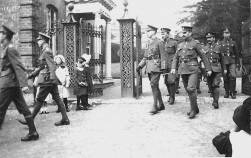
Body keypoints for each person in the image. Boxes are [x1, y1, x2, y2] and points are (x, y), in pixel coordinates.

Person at [18, 32, 70, 126]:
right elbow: (43, 66)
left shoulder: (47, 51)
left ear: (43, 41)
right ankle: (65, 118)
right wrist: (33, 74)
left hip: (47, 80)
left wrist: (52, 80)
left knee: (39, 99)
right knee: (57, 98)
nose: (37, 42)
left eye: (38, 40)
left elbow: (51, 66)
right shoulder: (44, 51)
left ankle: (29, 120)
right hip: (48, 79)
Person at [0, 25, 39, 141]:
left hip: (8, 84)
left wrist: (23, 85)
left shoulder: (10, 48)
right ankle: (33, 132)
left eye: (0, 33)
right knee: (24, 108)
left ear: (5, 35)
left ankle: (33, 132)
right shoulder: (5, 48)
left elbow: (19, 66)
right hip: (11, 83)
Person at [171, 26, 212, 119]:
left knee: (191, 89)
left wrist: (208, 69)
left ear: (190, 33)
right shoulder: (180, 45)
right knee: (188, 90)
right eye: (182, 33)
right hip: (183, 69)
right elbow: (176, 58)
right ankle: (195, 108)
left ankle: (193, 110)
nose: (183, 34)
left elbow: (203, 57)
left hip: (193, 69)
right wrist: (173, 67)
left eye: (185, 32)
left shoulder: (195, 44)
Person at [136, 25, 165, 114]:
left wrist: (163, 68)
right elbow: (146, 57)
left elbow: (163, 56)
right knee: (154, 86)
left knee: (153, 85)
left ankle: (155, 106)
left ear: (153, 32)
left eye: (148, 31)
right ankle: (161, 104)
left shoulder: (159, 42)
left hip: (156, 67)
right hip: (149, 68)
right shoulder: (148, 43)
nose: (147, 33)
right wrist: (140, 65)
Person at [204, 32, 227, 109]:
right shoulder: (205, 48)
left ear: (214, 38)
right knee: (210, 85)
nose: (208, 39)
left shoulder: (219, 47)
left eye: (210, 38)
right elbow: (203, 60)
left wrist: (224, 69)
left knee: (216, 85)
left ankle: (216, 102)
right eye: (207, 38)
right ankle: (214, 99)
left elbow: (223, 59)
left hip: (217, 68)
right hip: (208, 69)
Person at [219, 27, 240, 99]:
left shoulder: (233, 43)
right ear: (223, 34)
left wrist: (238, 63)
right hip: (224, 61)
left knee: (233, 76)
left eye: (228, 33)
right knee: (226, 77)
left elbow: (237, 53)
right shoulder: (220, 43)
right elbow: (219, 54)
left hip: (232, 61)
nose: (227, 34)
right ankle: (227, 92)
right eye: (225, 33)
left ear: (230, 34)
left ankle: (232, 92)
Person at [160, 27, 178, 105]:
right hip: (164, 64)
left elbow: (177, 55)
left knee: (171, 81)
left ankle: (172, 97)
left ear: (168, 34)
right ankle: (170, 95)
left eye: (163, 34)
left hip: (172, 64)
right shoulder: (161, 43)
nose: (162, 35)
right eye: (161, 34)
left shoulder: (174, 42)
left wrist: (176, 65)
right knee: (166, 81)